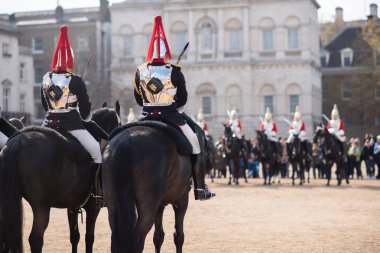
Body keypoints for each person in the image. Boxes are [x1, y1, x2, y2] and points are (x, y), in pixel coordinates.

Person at [132, 16, 215, 200]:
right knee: (196, 139)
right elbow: (183, 99)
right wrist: (171, 106)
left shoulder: (140, 71)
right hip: (171, 116)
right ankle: (200, 189)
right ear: (166, 52)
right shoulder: (174, 71)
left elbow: (138, 98)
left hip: (145, 117)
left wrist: (150, 106)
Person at [40, 25, 103, 202]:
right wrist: (87, 118)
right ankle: (97, 194)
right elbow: (85, 109)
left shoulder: (46, 78)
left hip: (47, 124)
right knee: (97, 152)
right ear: (70, 60)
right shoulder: (75, 80)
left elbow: (46, 104)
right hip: (71, 125)